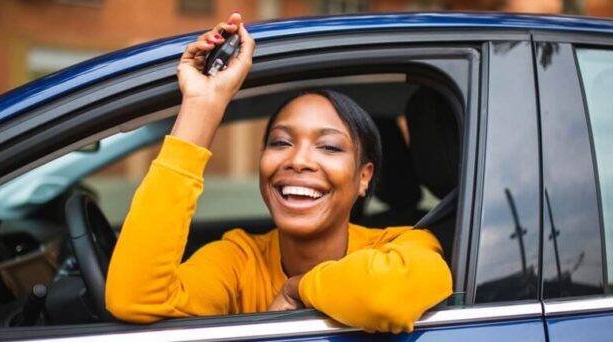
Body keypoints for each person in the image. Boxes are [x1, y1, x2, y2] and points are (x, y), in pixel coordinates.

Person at [105, 12, 452, 334]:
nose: (298, 160)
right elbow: (136, 298)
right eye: (281, 143)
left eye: (329, 147)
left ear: (364, 177)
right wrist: (202, 103)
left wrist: (296, 287)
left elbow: (384, 299)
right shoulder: (238, 258)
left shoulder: (404, 244)